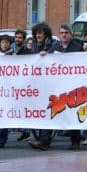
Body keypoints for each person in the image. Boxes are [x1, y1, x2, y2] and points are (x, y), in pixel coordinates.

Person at [28, 23, 59, 151]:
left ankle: (44, 140)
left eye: (40, 33)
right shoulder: (34, 45)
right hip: (38, 84)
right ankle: (43, 139)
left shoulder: (53, 45)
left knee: (48, 111)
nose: (38, 35)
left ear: (46, 33)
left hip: (51, 84)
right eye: (36, 33)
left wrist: (46, 54)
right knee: (42, 112)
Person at [53, 24, 84, 150]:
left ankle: (75, 141)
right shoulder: (54, 47)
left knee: (73, 113)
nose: (64, 35)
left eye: (66, 32)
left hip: (73, 86)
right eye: (61, 32)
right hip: (58, 86)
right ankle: (45, 141)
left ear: (70, 34)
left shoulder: (77, 47)